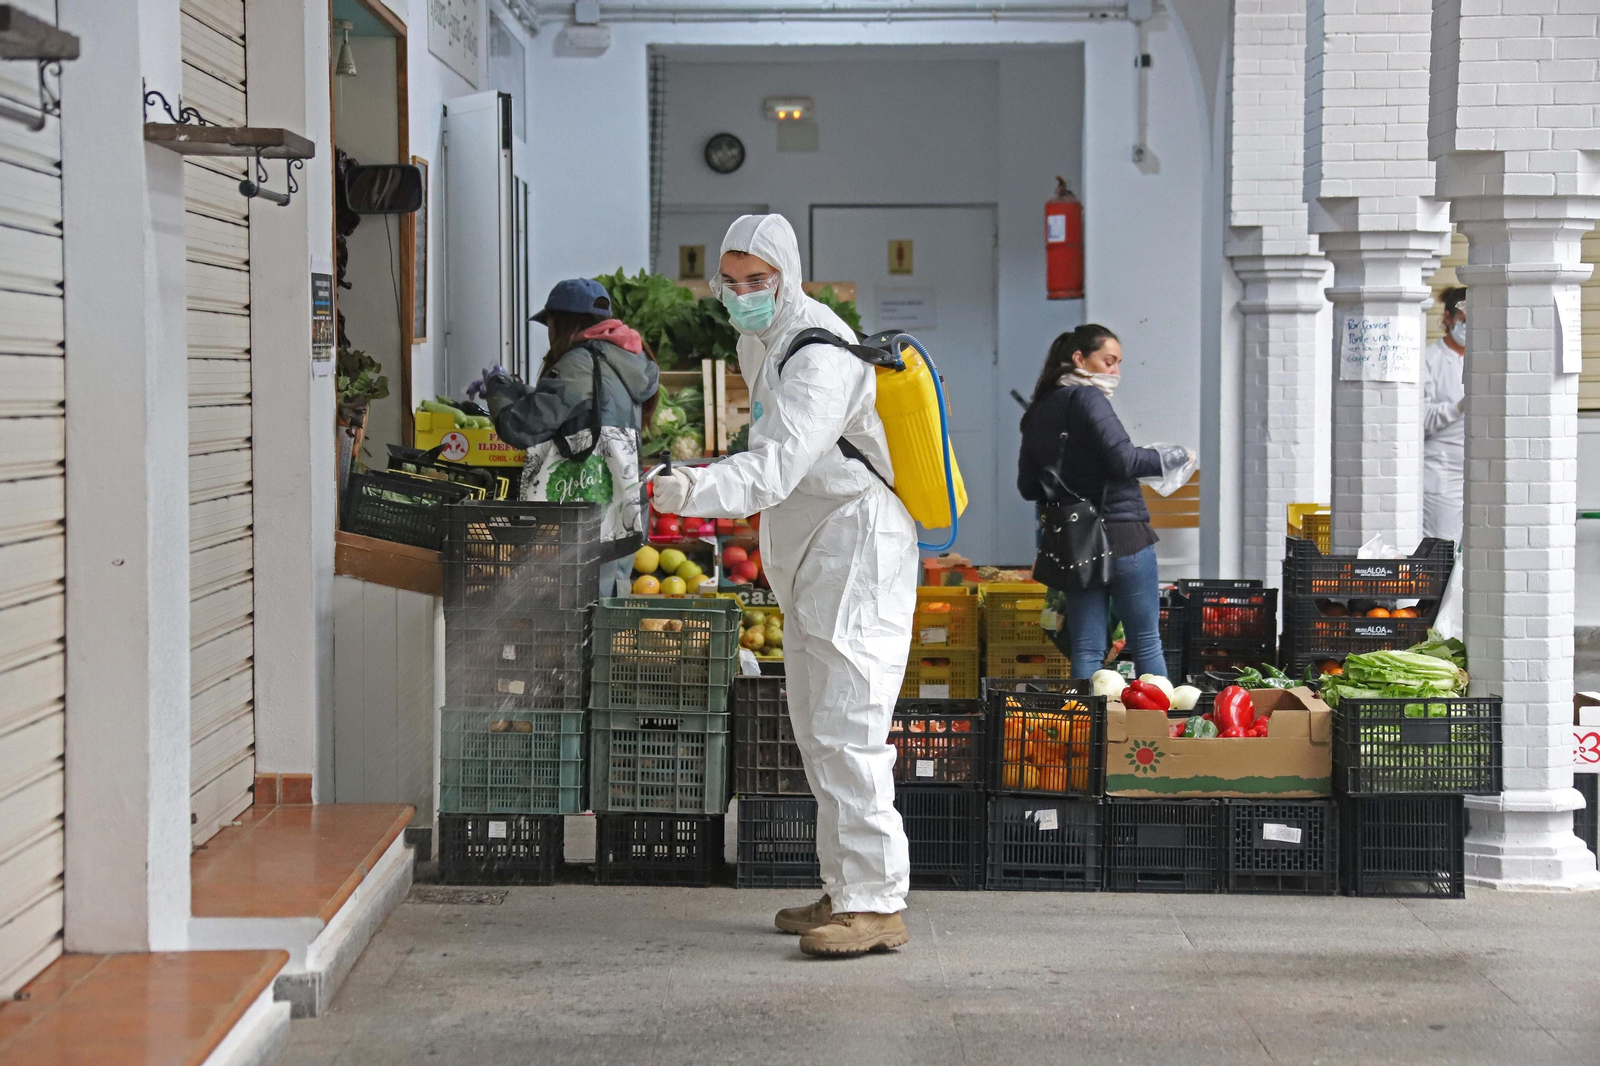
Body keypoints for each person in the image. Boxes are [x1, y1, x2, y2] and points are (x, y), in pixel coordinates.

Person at [650, 215, 917, 958]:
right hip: (814, 552)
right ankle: (845, 888)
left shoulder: (819, 354)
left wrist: (686, 490)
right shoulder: (760, 339)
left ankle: (876, 902)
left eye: (757, 282)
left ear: (788, 275)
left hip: (857, 549)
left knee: (848, 728)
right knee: (815, 727)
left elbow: (771, 467)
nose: (742, 296)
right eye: (731, 283)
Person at [482, 278, 660, 596]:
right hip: (619, 510)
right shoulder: (626, 360)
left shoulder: (581, 363)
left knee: (572, 617)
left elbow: (521, 427)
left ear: (562, 322)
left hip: (582, 514)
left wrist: (498, 388)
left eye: (550, 323)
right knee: (606, 605)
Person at [1018, 324, 1176, 679]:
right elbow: (1125, 461)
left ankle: (1086, 730)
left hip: (1076, 544)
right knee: (1146, 641)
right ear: (1079, 359)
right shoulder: (1089, 398)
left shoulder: (1039, 410)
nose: (1116, 372)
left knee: (1087, 649)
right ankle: (1157, 731)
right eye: (1109, 362)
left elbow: (1028, 486)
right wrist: (1173, 458)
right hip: (1123, 537)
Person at [1422, 287, 1467, 543]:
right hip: (1441, 472)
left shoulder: (1486, 357)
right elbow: (1420, 421)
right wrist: (1457, 408)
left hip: (1476, 471)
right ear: (1449, 318)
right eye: (1464, 321)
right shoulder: (1430, 359)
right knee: (1443, 548)